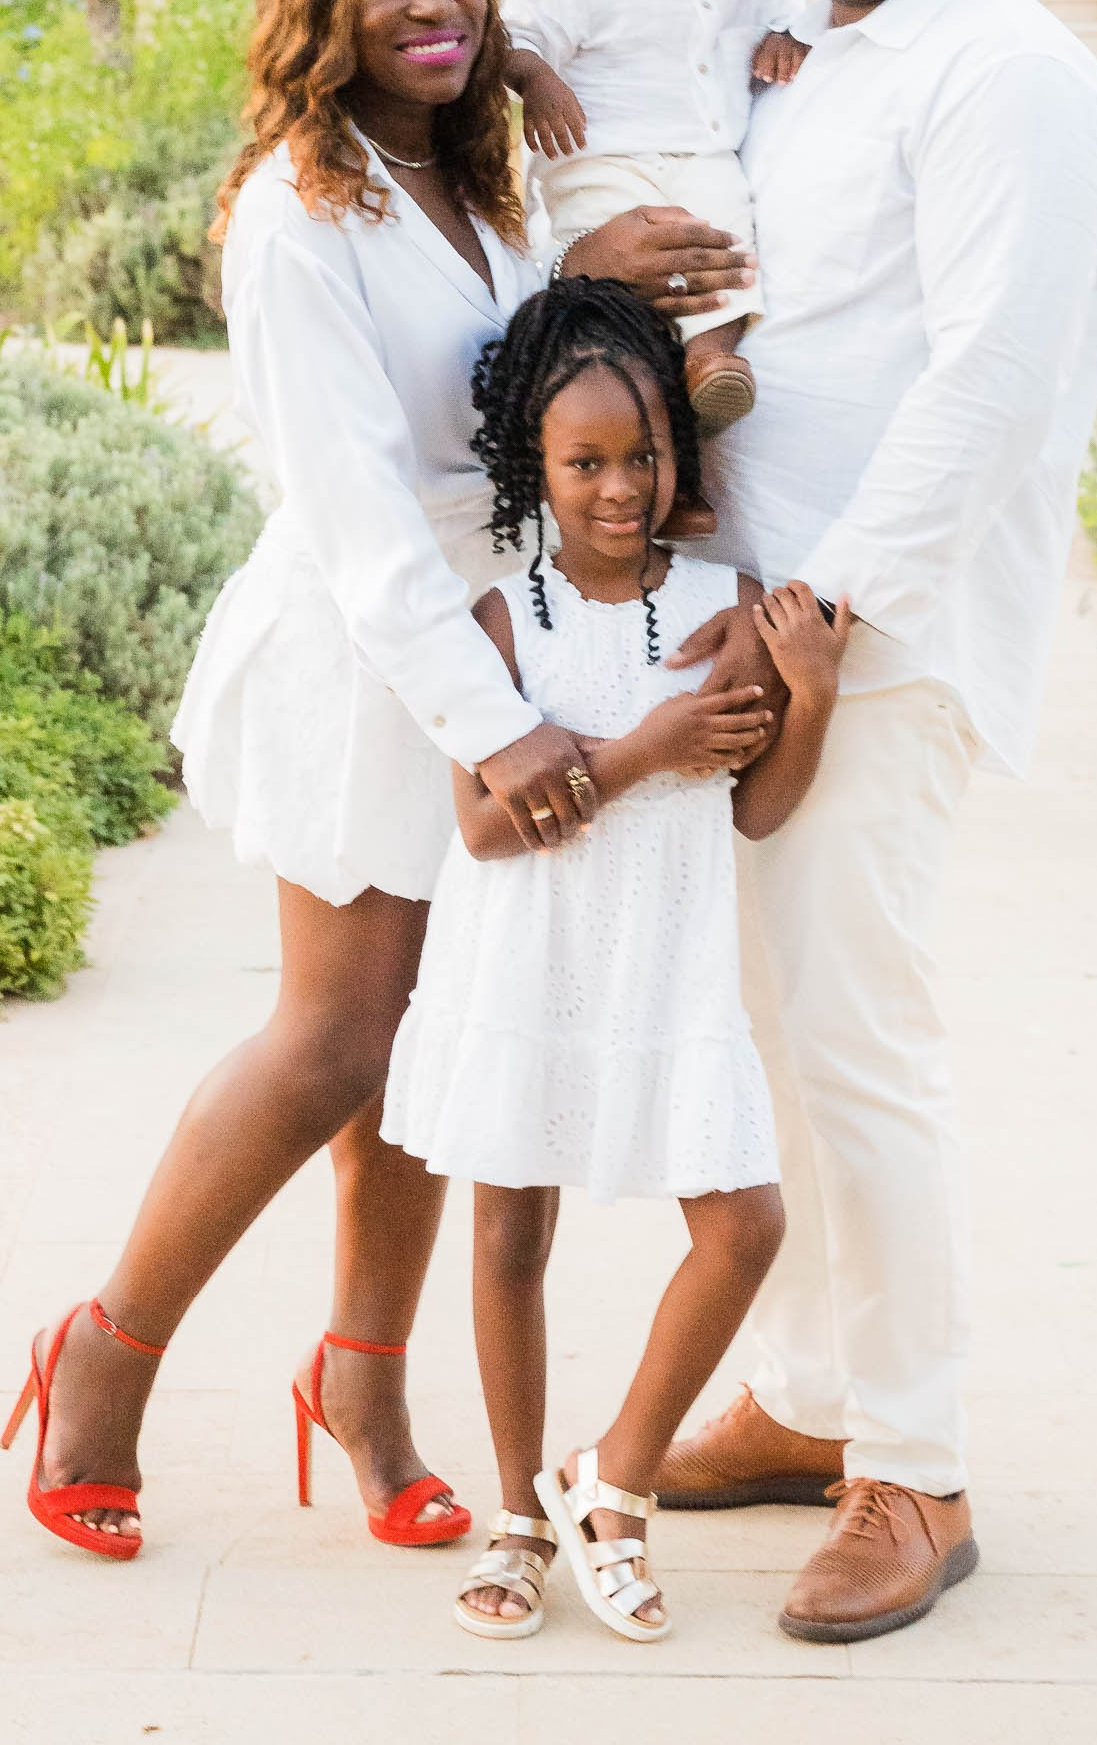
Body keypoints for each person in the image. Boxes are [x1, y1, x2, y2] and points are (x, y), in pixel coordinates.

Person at [3, 0, 762, 1563]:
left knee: (439, 1048)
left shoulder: (473, 181)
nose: (436, 6)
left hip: (496, 630)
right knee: (336, 1039)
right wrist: (492, 723)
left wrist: (592, 274)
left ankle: (363, 1386)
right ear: (321, 13)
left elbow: (497, 377)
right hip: (376, 657)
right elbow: (354, 509)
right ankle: (103, 1358)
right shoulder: (297, 209)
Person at [655, 0, 1097, 1648]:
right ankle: (805, 1394)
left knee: (855, 1042)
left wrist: (827, 604)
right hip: (775, 628)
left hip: (878, 638)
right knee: (776, 1030)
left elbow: (994, 380)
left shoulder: (1014, 76)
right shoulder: (835, 58)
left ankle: (913, 1471)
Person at [382, 279, 844, 1645]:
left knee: (744, 1224)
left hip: (669, 966)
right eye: (586, 462)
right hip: (529, 963)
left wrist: (803, 695)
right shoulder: (503, 622)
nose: (620, 488)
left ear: (676, 453)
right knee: (513, 1229)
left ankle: (615, 1484)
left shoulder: (728, 601)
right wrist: (646, 749)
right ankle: (524, 1519)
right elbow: (482, 825)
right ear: (538, 462)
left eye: (642, 456)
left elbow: (757, 806)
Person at [503, 0, 807, 490]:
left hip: (704, 160)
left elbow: (791, 24)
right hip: (599, 162)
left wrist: (784, 41)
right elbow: (509, 37)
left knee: (726, 250)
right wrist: (537, 79)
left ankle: (711, 364)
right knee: (622, 311)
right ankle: (637, 443)